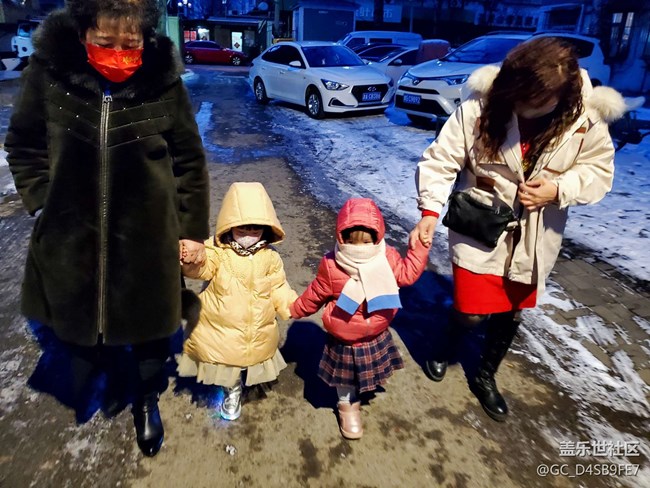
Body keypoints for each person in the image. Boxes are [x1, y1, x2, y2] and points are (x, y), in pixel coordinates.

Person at [5, 0, 210, 457]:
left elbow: (189, 161)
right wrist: (43, 203)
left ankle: (146, 399)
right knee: (86, 324)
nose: (118, 54)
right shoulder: (49, 74)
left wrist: (192, 230)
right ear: (82, 34)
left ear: (145, 39)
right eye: (105, 42)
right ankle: (109, 374)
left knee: (150, 331)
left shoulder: (162, 80)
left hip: (148, 235)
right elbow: (23, 144)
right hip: (72, 235)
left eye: (129, 44)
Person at [409, 37, 625, 422]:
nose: (522, 106)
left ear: (561, 94)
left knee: (511, 312)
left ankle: (485, 375)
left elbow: (598, 171)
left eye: (534, 101)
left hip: (535, 237)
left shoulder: (586, 119)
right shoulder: (480, 106)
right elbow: (440, 160)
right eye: (518, 95)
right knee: (471, 310)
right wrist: (429, 211)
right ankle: (447, 344)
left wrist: (558, 189)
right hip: (479, 227)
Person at [290, 198, 429, 439]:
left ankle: (364, 387)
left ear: (377, 237)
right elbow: (315, 294)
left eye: (366, 242)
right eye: (353, 242)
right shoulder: (332, 265)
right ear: (342, 238)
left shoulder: (387, 258)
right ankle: (347, 405)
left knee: (368, 367)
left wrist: (420, 248)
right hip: (344, 337)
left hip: (376, 330)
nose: (360, 248)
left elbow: (407, 274)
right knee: (345, 379)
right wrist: (295, 309)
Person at [177, 182, 297, 421]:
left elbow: (278, 285)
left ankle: (242, 381)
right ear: (229, 226)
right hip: (222, 330)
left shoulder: (270, 257)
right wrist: (192, 260)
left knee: (249, 360)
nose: (248, 235)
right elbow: (202, 269)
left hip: (256, 328)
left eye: (255, 229)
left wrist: (292, 304)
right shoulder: (217, 253)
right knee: (228, 366)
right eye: (242, 229)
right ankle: (231, 390)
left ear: (266, 228)